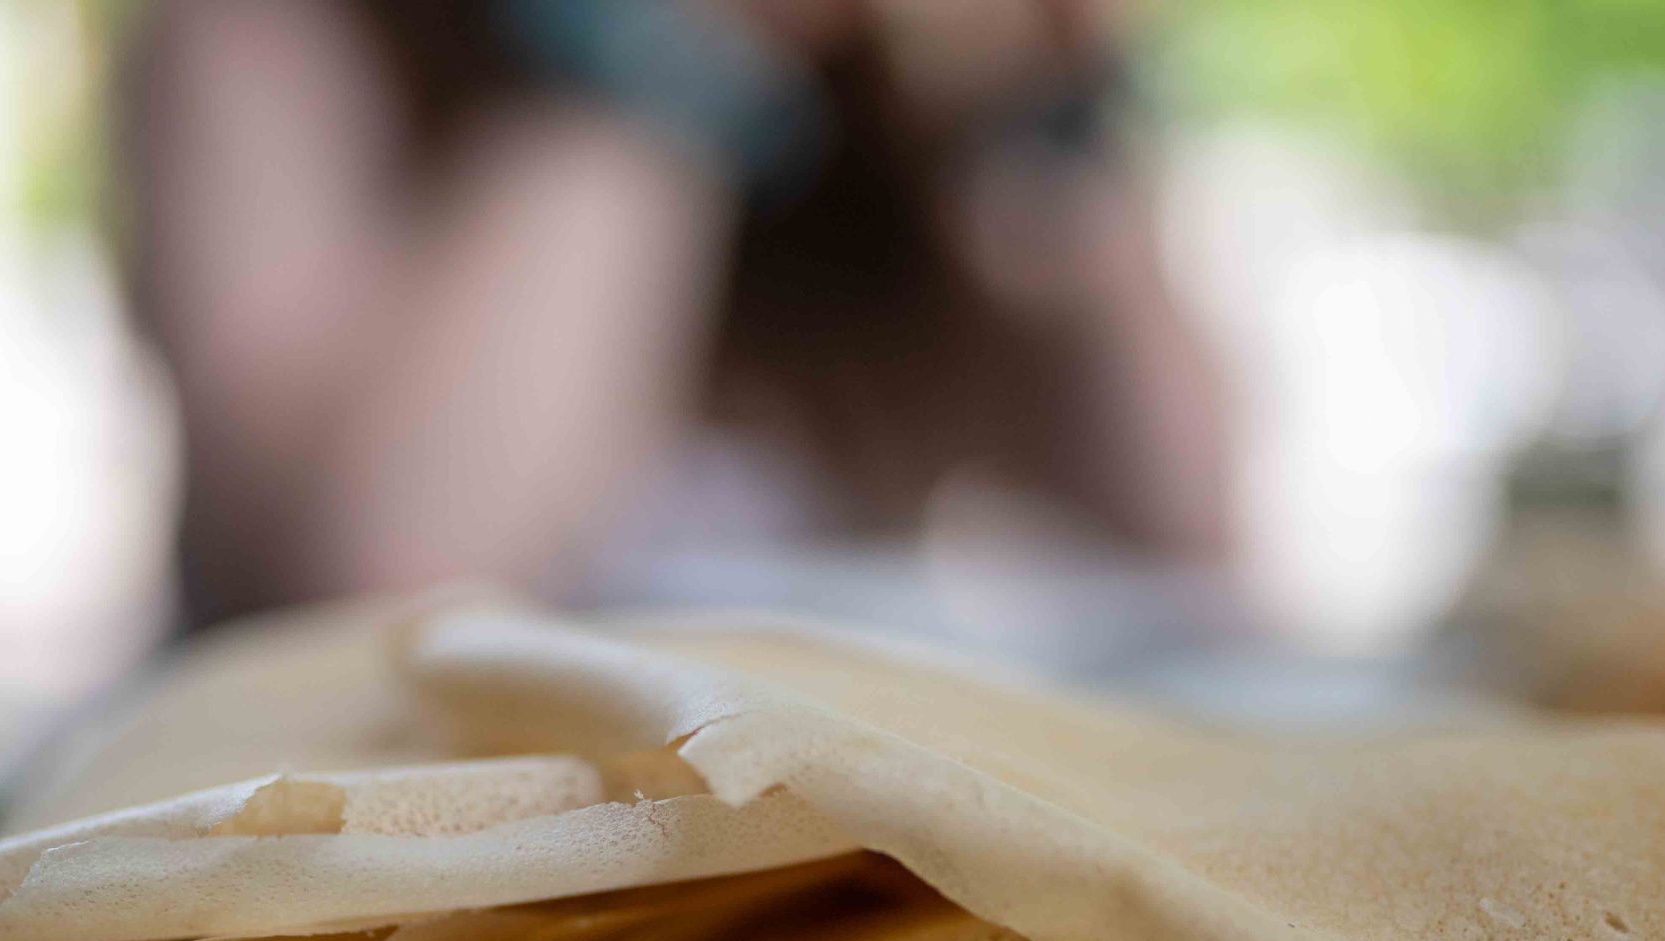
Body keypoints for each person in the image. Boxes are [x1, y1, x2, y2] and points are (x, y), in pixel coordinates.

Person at [117, 0, 1229, 629]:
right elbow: (380, 584)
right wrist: (674, 59)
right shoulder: (269, 36)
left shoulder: (898, 105)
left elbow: (1188, 527)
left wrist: (1039, 107)